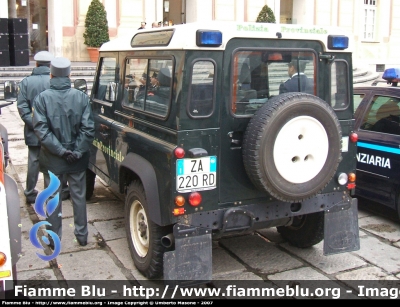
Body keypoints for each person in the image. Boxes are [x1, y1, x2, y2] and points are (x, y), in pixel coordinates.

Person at [32, 57, 95, 247]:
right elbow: (88, 129)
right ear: (69, 75)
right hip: (76, 159)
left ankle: (53, 238)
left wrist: (61, 151)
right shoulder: (81, 97)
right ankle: (82, 236)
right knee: (79, 197)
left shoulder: (42, 98)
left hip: (53, 159)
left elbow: (42, 131)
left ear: (51, 75)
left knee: (53, 199)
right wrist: (76, 151)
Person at [16, 51, 69, 204]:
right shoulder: (56, 81)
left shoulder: (26, 82)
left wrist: (35, 124)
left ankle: (30, 192)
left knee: (33, 161)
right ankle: (60, 190)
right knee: (57, 160)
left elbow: (22, 107)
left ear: (36, 64)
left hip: (33, 131)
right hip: (53, 131)